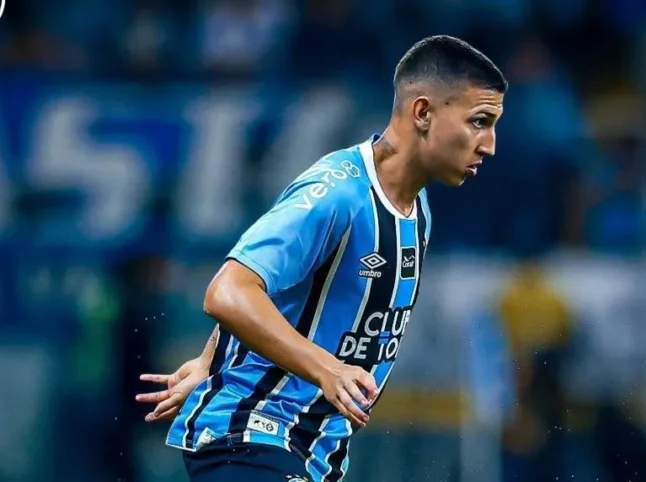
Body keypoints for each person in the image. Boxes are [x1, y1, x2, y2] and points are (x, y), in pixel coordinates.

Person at [135, 35, 507, 482]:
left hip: (311, 456)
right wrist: (327, 368)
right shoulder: (337, 193)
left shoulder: (417, 208)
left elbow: (275, 283)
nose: (489, 145)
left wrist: (210, 359)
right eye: (479, 122)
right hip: (250, 435)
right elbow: (228, 291)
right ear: (423, 112)